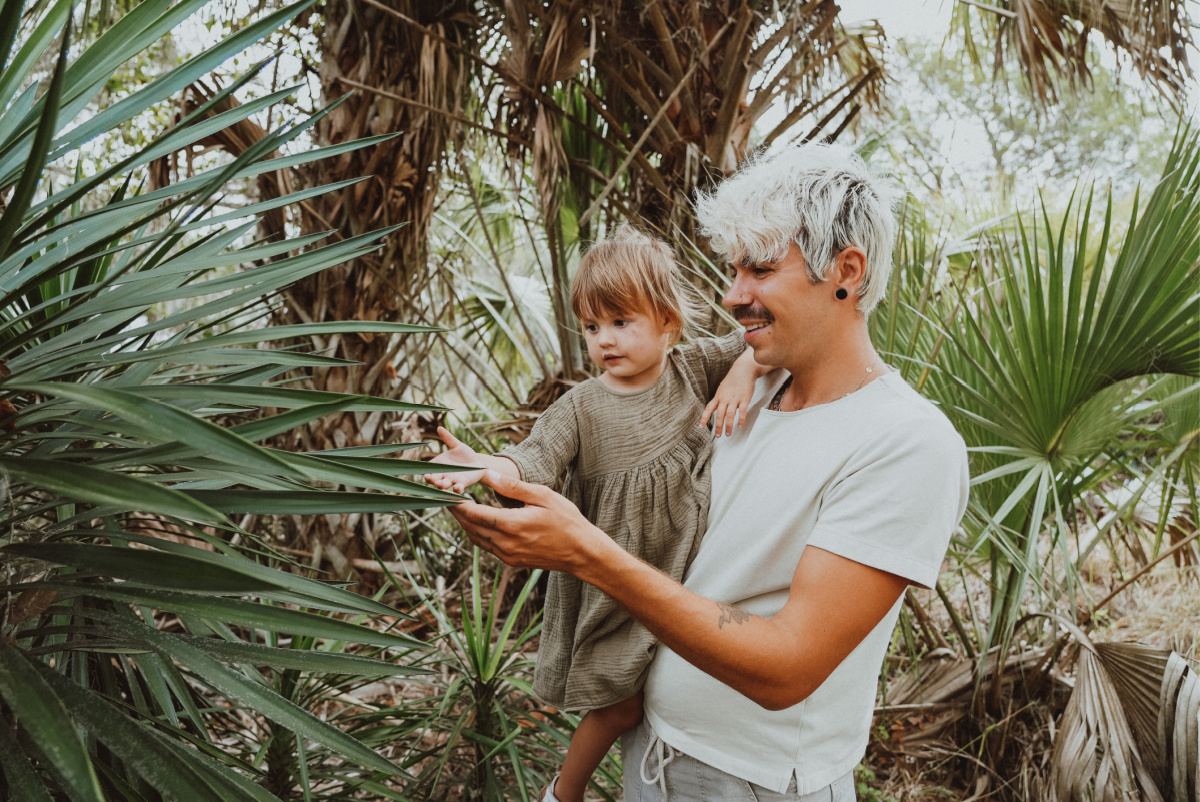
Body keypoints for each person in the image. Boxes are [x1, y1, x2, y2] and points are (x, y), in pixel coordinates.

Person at [447, 142, 971, 801]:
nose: (732, 295)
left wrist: (589, 555)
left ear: (846, 269)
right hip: (652, 755)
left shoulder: (906, 442)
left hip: (751, 785)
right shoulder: (738, 387)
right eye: (732, 270)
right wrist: (504, 479)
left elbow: (788, 666)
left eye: (758, 269)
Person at [424, 225, 767, 802]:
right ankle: (565, 792)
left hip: (693, 574)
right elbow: (533, 458)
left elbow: (762, 341)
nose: (604, 340)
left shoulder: (692, 367)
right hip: (618, 579)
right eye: (591, 326)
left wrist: (745, 370)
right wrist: (487, 465)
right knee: (621, 702)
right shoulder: (580, 406)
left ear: (667, 321)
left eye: (620, 321)